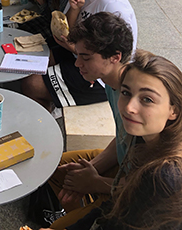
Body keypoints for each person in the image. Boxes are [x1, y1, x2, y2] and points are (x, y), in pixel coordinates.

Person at [42, 50, 182, 230]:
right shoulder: (147, 131)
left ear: (174, 110)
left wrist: (95, 183)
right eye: (126, 92)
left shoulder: (165, 178)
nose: (130, 107)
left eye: (147, 99)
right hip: (114, 201)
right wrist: (91, 172)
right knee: (56, 167)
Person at [22, 0, 138, 113]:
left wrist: (74, 48)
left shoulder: (113, 6)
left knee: (31, 83)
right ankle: (50, 106)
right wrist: (75, 8)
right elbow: (66, 32)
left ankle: (46, 122)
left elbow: (116, 58)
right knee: (33, 61)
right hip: (78, 52)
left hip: (100, 74)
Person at [45, 12, 133, 229]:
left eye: (86, 57)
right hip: (121, 169)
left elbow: (149, 190)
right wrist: (89, 169)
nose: (77, 64)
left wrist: (96, 183)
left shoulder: (134, 102)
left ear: (115, 57)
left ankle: (90, 216)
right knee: (57, 170)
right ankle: (82, 212)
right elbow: (123, 139)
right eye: (78, 55)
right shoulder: (111, 84)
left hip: (132, 193)